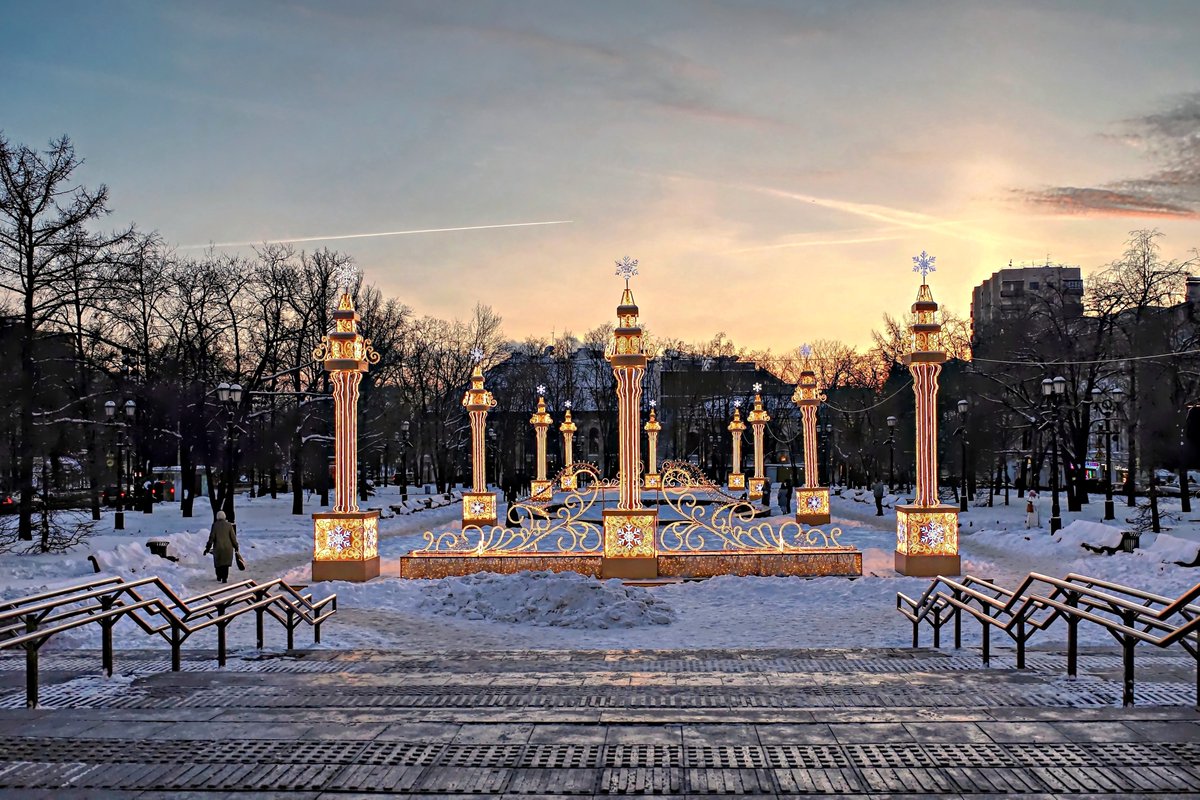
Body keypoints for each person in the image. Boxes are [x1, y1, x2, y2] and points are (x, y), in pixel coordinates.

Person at [204, 510, 240, 583]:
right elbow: (233, 537)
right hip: (228, 548)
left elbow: (211, 538)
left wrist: (207, 547)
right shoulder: (229, 525)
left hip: (218, 548)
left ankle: (219, 576)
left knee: (218, 563)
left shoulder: (215, 526)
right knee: (225, 564)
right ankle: (224, 577)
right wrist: (236, 546)